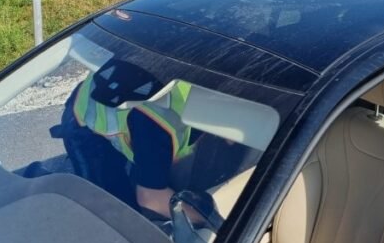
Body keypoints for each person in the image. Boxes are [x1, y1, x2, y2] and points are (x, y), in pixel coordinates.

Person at [58, 60, 247, 221]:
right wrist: (207, 222)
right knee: (117, 212)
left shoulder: (215, 85)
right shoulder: (158, 124)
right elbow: (150, 197)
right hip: (85, 122)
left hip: (130, 96)